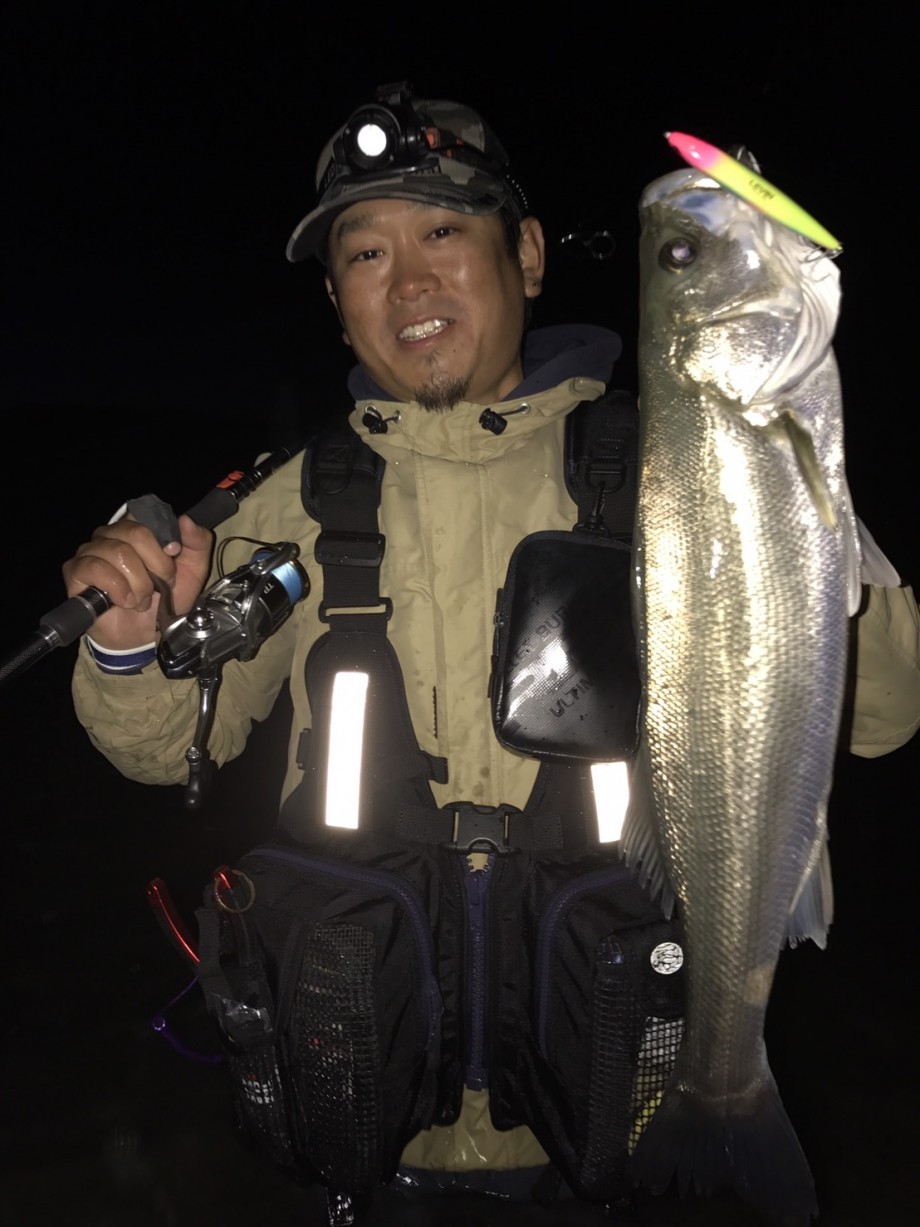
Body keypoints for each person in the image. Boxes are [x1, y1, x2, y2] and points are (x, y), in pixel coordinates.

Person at [63, 85, 920, 1208]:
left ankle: (721, 1100)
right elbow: (163, 744)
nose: (408, 281)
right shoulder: (290, 505)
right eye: (365, 254)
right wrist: (129, 647)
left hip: (601, 1102)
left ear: (526, 255)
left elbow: (882, 715)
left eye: (441, 231)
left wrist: (799, 518)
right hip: (367, 1111)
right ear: (337, 304)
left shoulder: (664, 468)